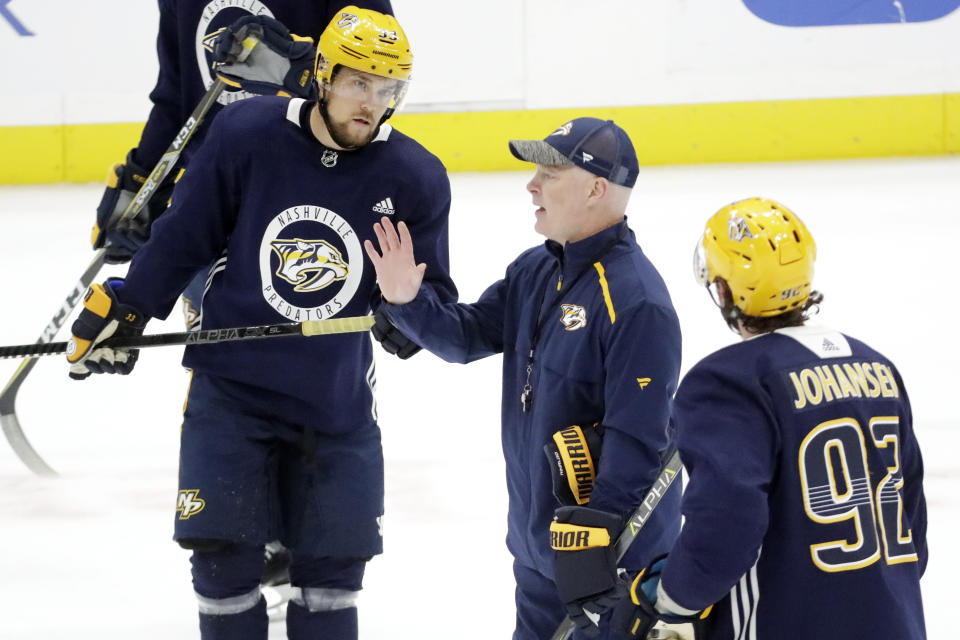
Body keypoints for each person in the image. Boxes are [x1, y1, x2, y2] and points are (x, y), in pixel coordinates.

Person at [66, 7, 456, 640]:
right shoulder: (246, 134)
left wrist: (405, 309)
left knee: (332, 581)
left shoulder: (414, 178)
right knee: (222, 567)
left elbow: (430, 304)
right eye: (359, 83)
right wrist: (128, 306)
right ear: (323, 75)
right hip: (232, 397)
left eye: (389, 90)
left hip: (334, 407)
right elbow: (185, 237)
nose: (372, 104)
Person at [364, 118, 683, 639]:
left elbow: (638, 440)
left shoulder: (637, 303)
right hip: (539, 549)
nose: (531, 185)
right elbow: (465, 337)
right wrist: (406, 303)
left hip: (613, 562)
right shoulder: (535, 271)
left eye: (550, 174)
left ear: (596, 189)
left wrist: (596, 540)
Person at [614, 198, 928, 640]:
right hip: (896, 622)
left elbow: (725, 522)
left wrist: (673, 600)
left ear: (723, 290)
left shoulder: (726, 381)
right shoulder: (879, 370)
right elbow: (910, 522)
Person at [91, 0, 392, 329]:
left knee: (302, 371)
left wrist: (295, 71)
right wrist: (141, 178)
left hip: (306, 204)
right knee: (215, 365)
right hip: (206, 199)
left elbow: (381, 84)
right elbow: (176, 93)